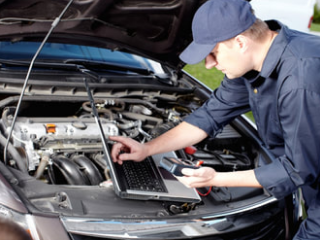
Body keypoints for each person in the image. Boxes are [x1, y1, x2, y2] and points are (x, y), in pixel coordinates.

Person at [110, 0, 320, 239]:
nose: (209, 64)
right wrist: (147, 149)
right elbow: (210, 114)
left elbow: (298, 169)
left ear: (240, 42)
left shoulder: (300, 80)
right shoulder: (251, 63)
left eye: (213, 53)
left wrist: (216, 178)